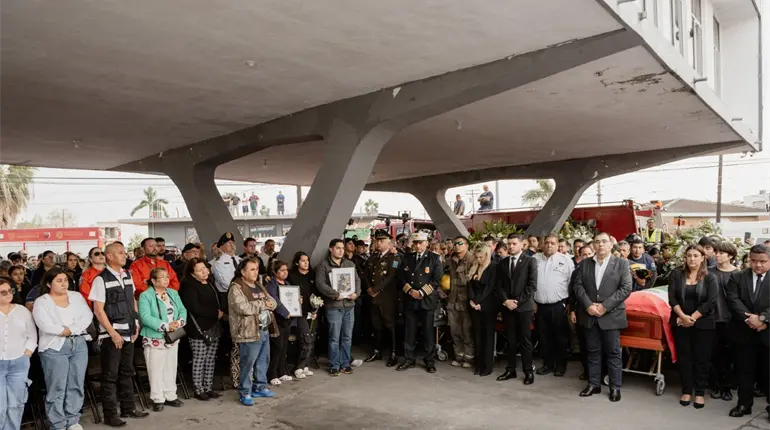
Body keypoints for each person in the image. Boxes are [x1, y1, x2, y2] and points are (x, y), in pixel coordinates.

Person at [89, 242, 148, 427]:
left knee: (127, 371)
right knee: (110, 375)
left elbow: (132, 300)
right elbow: (98, 310)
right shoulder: (101, 279)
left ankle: (128, 408)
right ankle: (110, 415)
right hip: (111, 335)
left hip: (129, 331)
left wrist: (136, 322)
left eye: (124, 252)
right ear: (110, 256)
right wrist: (112, 333)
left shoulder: (127, 275)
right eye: (120, 253)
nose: (124, 255)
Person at [572, 232, 632, 402]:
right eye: (597, 242)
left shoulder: (621, 264)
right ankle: (593, 384)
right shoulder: (585, 264)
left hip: (611, 315)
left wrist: (605, 306)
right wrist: (588, 305)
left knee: (613, 353)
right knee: (592, 351)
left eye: (604, 241)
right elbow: (578, 286)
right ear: (593, 245)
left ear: (611, 244)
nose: (601, 245)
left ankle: (615, 387)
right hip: (590, 314)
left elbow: (626, 288)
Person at [33, 267, 92, 430]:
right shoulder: (42, 301)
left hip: (78, 343)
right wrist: (63, 331)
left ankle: (72, 420)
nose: (63, 283)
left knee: (76, 383)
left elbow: (87, 316)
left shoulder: (76, 296)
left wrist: (71, 329)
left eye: (65, 280)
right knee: (57, 386)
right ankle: (57, 423)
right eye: (59, 281)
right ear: (48, 283)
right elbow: (43, 323)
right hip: (54, 346)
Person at [668, 244, 718, 409]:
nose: (692, 259)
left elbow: (710, 301)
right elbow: (672, 298)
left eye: (696, 256)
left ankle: (700, 392)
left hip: (703, 323)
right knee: (685, 357)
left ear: (703, 257)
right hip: (680, 321)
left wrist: (693, 318)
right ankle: (687, 390)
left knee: (701, 359)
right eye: (689, 255)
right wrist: (683, 317)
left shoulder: (710, 277)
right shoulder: (677, 274)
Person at [725, 244, 770, 419]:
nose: (758, 265)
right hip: (744, 332)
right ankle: (744, 404)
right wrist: (750, 320)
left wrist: (763, 319)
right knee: (745, 371)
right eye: (754, 261)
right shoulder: (737, 277)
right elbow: (733, 300)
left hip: (767, 332)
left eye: (763, 261)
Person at [228, 258, 277, 406]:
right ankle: (245, 392)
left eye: (256, 269)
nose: (256, 272)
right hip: (248, 331)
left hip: (264, 329)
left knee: (263, 360)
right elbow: (243, 308)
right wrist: (263, 304)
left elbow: (272, 301)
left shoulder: (259, 285)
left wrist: (270, 304)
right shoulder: (236, 287)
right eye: (252, 269)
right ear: (243, 272)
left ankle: (259, 387)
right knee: (247, 364)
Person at [137, 268, 187, 411]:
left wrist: (179, 322)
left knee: (171, 366)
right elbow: (145, 317)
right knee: (155, 368)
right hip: (155, 337)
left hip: (172, 336)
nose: (166, 279)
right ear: (153, 281)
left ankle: (171, 395)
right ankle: (158, 398)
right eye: (163, 277)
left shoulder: (173, 293)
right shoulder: (145, 296)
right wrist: (165, 325)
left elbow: (182, 310)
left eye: (167, 277)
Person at [396, 231, 443, 373]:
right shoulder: (408, 257)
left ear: (426, 243)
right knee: (409, 331)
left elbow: (436, 279)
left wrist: (421, 292)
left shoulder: (434, 258)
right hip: (411, 299)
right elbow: (401, 277)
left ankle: (429, 360)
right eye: (415, 243)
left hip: (426, 299)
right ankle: (409, 358)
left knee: (428, 332)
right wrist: (410, 291)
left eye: (420, 243)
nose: (418, 245)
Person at [179, 258, 224, 401]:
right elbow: (194, 307)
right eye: (200, 270)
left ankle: (208, 387)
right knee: (199, 359)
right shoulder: (188, 286)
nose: (205, 272)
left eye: (205, 268)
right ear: (192, 273)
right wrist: (215, 313)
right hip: (198, 328)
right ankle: (198, 389)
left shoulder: (209, 283)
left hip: (213, 326)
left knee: (210, 359)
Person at [496, 233, 538, 385]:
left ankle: (528, 371)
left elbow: (531, 286)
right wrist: (506, 301)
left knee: (525, 340)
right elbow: (499, 285)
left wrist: (517, 302)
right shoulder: (503, 262)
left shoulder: (530, 261)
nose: (511, 246)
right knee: (511, 340)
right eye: (509, 244)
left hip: (524, 308)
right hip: (507, 307)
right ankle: (510, 369)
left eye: (514, 243)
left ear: (522, 244)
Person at [315, 239, 360, 376]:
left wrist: (356, 294)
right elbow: (320, 284)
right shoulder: (323, 265)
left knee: (347, 337)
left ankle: (345, 364)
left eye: (342, 248)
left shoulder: (349, 264)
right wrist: (335, 294)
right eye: (338, 248)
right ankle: (334, 364)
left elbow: (357, 281)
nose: (341, 251)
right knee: (334, 337)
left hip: (349, 305)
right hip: (334, 306)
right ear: (331, 249)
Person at [534, 234, 575, 377]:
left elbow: (572, 283)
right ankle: (548, 364)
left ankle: (561, 365)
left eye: (552, 243)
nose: (549, 245)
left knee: (560, 336)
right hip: (539, 306)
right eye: (547, 242)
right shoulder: (535, 259)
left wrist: (570, 304)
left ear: (558, 245)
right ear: (542, 244)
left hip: (559, 305)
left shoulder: (566, 260)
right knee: (544, 337)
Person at [0, 276, 37, 430]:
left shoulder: (22, 311)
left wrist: (27, 353)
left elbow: (32, 335)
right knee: (1, 406)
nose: (8, 294)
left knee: (16, 405)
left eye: (10, 290)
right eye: (3, 292)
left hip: (19, 363)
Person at [363, 230, 401, 367]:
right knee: (376, 325)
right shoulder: (373, 258)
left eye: (381, 241)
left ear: (389, 243)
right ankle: (377, 351)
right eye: (377, 241)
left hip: (387, 298)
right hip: (374, 297)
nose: (378, 243)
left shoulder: (394, 258)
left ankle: (393, 353)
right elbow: (366, 274)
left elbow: (391, 276)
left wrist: (375, 289)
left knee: (390, 325)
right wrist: (369, 288)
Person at [709, 241, 738, 402]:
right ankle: (716, 385)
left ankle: (727, 387)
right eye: (716, 252)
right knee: (714, 354)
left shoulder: (738, 274)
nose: (717, 255)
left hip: (731, 320)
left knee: (730, 355)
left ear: (730, 256)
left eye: (721, 253)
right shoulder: (709, 272)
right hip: (712, 318)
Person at [468, 244, 497, 377]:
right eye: (477, 257)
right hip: (475, 306)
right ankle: (478, 365)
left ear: (487, 255)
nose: (479, 260)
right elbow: (470, 285)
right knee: (478, 335)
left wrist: (479, 302)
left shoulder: (493, 267)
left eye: (481, 257)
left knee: (488, 336)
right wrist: (472, 300)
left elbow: (490, 288)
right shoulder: (474, 267)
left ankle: (487, 366)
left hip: (488, 305)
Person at [446, 236, 474, 369]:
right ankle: (459, 356)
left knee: (467, 330)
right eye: (455, 243)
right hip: (452, 300)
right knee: (455, 330)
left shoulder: (472, 260)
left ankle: (469, 357)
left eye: (460, 243)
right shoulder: (450, 260)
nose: (457, 245)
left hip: (466, 301)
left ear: (466, 245)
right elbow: (443, 277)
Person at [288, 252, 317, 379]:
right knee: (304, 339)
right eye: (303, 260)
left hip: (313, 311)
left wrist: (316, 309)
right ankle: (298, 367)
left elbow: (317, 293)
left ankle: (305, 364)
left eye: (307, 260)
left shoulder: (312, 275)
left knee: (312, 338)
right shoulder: (292, 276)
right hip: (299, 312)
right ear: (296, 262)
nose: (306, 263)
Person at [265, 261, 294, 386]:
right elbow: (274, 300)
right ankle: (272, 374)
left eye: (286, 270)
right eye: (282, 270)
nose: (285, 272)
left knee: (284, 347)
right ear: (275, 272)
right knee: (277, 347)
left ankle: (281, 371)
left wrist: (297, 302)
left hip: (287, 320)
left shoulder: (288, 284)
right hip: (276, 319)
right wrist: (285, 312)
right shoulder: (271, 284)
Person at [211, 232, 243, 304]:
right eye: (228, 243)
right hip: (229, 296)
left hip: (244, 293)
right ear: (221, 247)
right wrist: (240, 289)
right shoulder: (218, 263)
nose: (232, 245)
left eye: (232, 242)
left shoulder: (241, 260)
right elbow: (225, 283)